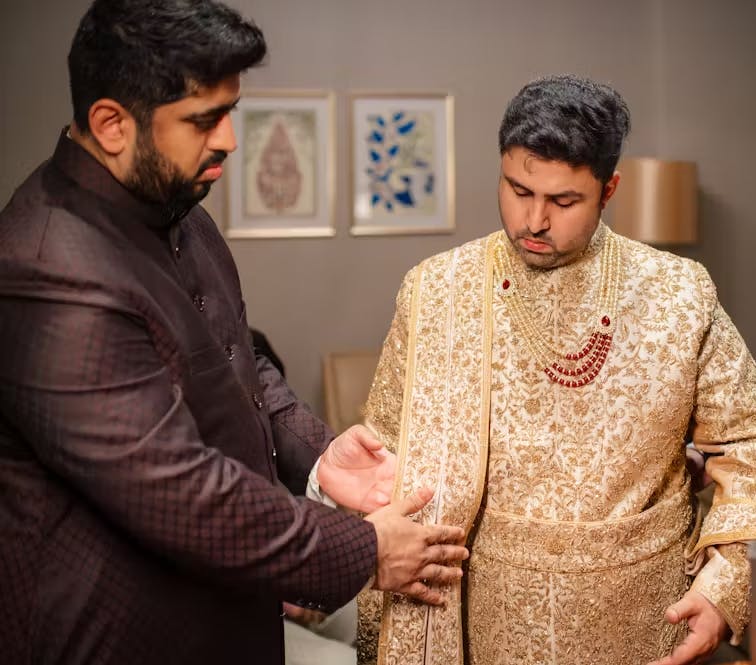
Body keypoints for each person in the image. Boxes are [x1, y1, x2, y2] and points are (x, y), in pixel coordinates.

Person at [0, 1, 467, 664]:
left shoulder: (177, 207)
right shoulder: (47, 270)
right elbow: (181, 495)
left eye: (230, 113)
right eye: (203, 119)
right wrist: (367, 549)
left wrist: (317, 458)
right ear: (111, 124)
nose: (228, 139)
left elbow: (234, 356)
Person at [348, 74, 756, 665]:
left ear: (608, 188)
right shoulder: (438, 289)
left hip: (644, 623)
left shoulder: (677, 292)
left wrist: (726, 589)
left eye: (564, 201)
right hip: (485, 622)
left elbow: (751, 442)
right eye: (518, 190)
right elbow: (387, 456)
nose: (534, 220)